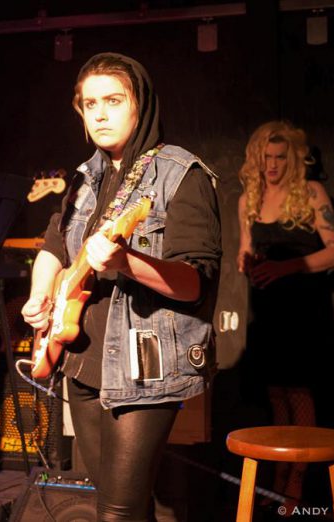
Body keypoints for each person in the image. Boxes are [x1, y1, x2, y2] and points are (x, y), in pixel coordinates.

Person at [21, 53, 221, 521]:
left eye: (113, 100)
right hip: (81, 356)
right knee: (112, 504)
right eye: (90, 104)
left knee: (118, 512)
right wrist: (40, 294)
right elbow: (54, 244)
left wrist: (126, 261)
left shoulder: (181, 175)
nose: (101, 114)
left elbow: (194, 282)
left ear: (140, 104)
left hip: (143, 365)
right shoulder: (85, 177)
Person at [237, 120, 334, 511]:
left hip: (304, 312)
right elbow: (245, 250)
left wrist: (287, 267)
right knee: (275, 395)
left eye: (280, 157)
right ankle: (280, 476)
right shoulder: (249, 198)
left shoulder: (312, 193)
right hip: (266, 312)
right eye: (266, 157)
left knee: (298, 393)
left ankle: (296, 484)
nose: (272, 165)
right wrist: (246, 262)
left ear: (295, 158)